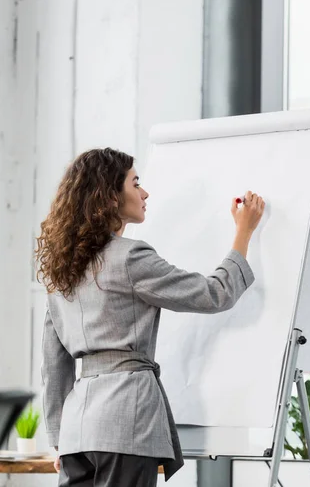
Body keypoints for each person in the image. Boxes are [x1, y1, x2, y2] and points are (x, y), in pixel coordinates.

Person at [36, 147, 264, 487]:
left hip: (75, 432)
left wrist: (59, 438)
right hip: (125, 422)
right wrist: (243, 233)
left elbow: (54, 365)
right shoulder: (130, 258)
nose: (145, 193)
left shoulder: (62, 269)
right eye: (135, 183)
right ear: (110, 196)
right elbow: (214, 294)